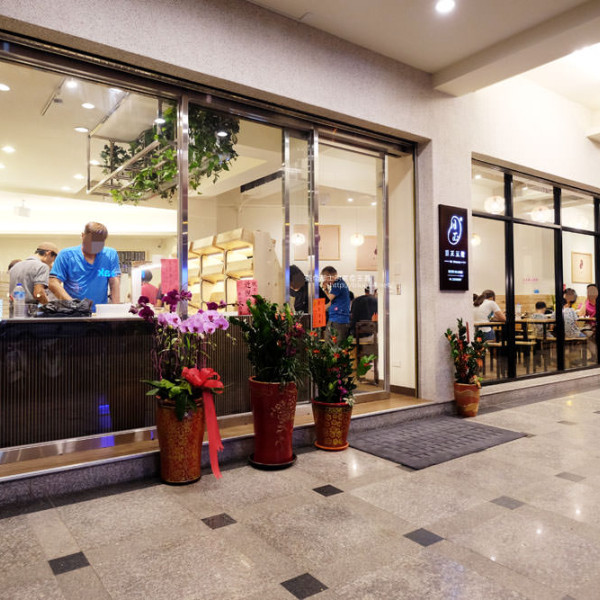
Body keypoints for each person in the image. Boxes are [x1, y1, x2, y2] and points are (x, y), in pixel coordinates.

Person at [49, 221, 121, 308]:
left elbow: (114, 282)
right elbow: (53, 282)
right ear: (83, 236)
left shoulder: (110, 255)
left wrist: (116, 309)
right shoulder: (66, 255)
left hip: (100, 312)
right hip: (74, 312)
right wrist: (74, 305)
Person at [321, 265, 351, 339]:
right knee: (330, 343)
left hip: (338, 320)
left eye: (325, 279)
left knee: (334, 344)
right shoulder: (339, 284)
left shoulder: (338, 285)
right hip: (336, 319)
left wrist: (324, 289)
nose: (325, 281)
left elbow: (328, 300)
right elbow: (329, 302)